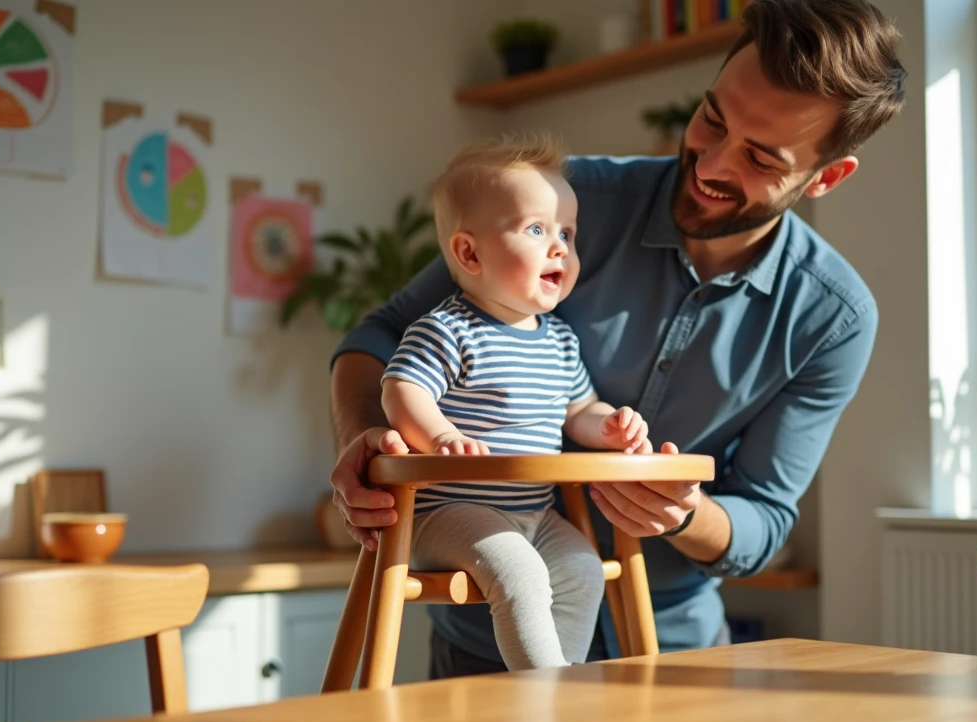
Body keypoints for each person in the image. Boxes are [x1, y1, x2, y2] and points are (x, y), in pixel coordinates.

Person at [328, 0, 907, 678]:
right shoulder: (564, 204)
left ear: (826, 177)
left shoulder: (831, 317)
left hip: (675, 652)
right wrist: (366, 437)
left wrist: (687, 513)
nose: (711, 163)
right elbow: (382, 333)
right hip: (479, 633)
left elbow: (765, 519)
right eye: (712, 118)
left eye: (758, 157)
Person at [382, 134, 651, 670]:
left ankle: (561, 682)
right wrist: (440, 436)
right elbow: (401, 388)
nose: (560, 249)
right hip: (450, 513)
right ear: (469, 252)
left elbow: (579, 411)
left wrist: (611, 427)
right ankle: (543, 691)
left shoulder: (560, 340)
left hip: (534, 511)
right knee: (523, 575)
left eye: (567, 235)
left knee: (583, 569)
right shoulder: (447, 329)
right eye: (537, 230)